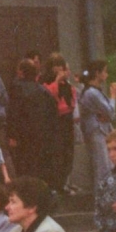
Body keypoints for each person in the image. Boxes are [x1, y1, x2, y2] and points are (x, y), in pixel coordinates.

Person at [7, 59, 58, 185]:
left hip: (23, 135)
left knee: (24, 167)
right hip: (42, 134)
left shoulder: (17, 89)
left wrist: (12, 135)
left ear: (21, 72)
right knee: (38, 166)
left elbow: (13, 113)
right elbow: (53, 113)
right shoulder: (44, 91)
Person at [78, 59, 116, 192]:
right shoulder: (92, 93)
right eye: (105, 71)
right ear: (97, 73)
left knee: (106, 165)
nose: (106, 75)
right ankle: (102, 198)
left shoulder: (94, 91)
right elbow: (111, 113)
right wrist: (113, 96)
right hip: (97, 131)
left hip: (100, 130)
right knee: (103, 167)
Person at [41, 53, 79, 194]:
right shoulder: (45, 82)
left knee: (68, 153)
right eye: (55, 67)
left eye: (61, 67)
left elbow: (72, 104)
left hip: (67, 121)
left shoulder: (69, 87)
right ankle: (54, 184)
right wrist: (56, 81)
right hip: (54, 122)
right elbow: (49, 97)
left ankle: (63, 183)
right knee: (56, 154)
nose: (59, 70)